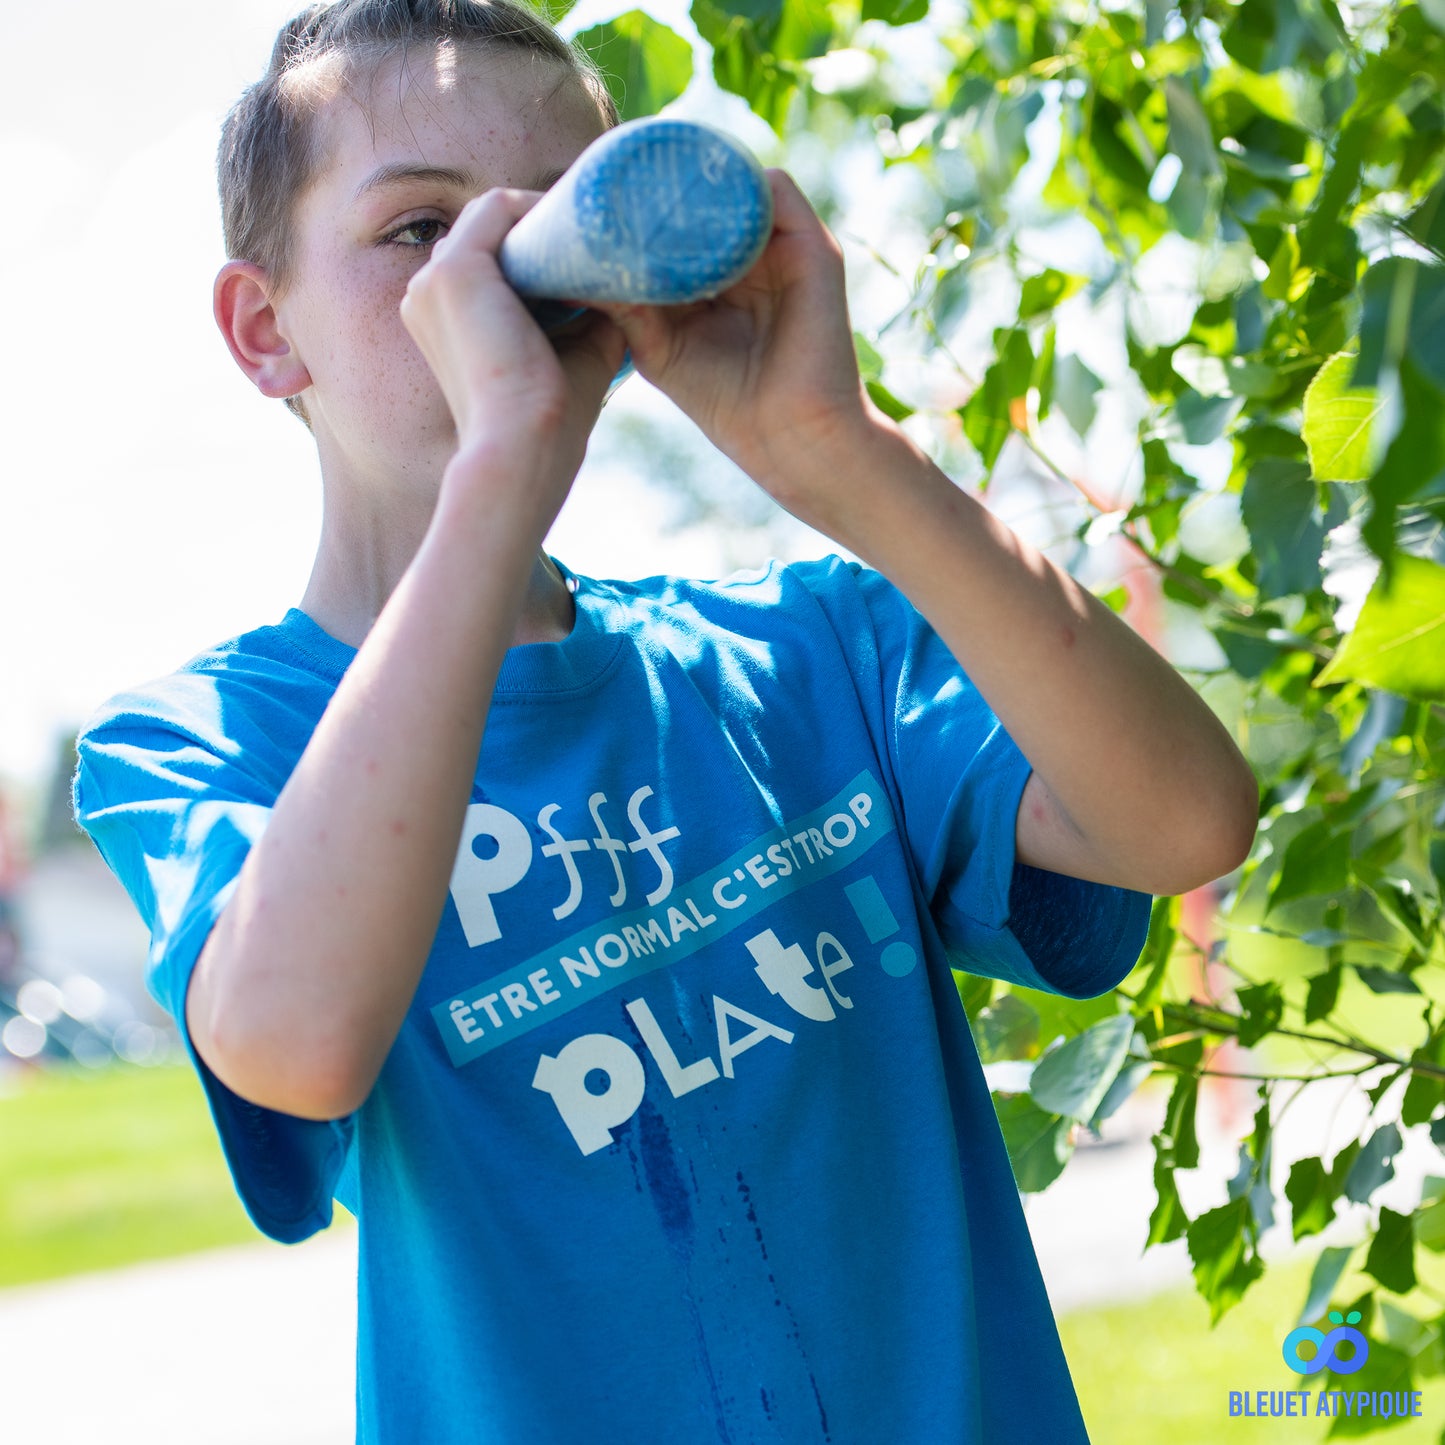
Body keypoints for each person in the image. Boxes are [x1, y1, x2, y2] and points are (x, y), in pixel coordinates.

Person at [72, 2, 1259, 1440]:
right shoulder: (211, 738)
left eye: (545, 233)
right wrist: (499, 467)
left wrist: (841, 453)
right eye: (416, 234)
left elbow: (1186, 819)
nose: (494, 284)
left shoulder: (812, 647)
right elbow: (295, 1038)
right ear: (267, 333)